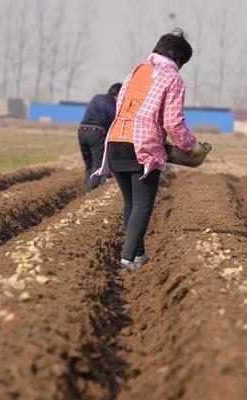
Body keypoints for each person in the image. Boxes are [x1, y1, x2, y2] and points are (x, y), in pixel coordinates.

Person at [92, 29, 199, 271]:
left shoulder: (137, 70)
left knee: (131, 203)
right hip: (142, 145)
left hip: (116, 140)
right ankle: (127, 259)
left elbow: (121, 104)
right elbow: (173, 121)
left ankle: (138, 254)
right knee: (143, 204)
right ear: (179, 59)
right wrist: (190, 146)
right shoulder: (172, 78)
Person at [78, 83, 122, 192]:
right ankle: (89, 191)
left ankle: (88, 185)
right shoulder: (113, 107)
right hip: (96, 133)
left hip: (82, 131)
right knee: (99, 165)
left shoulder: (96, 98)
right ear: (116, 95)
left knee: (89, 164)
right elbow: (114, 127)